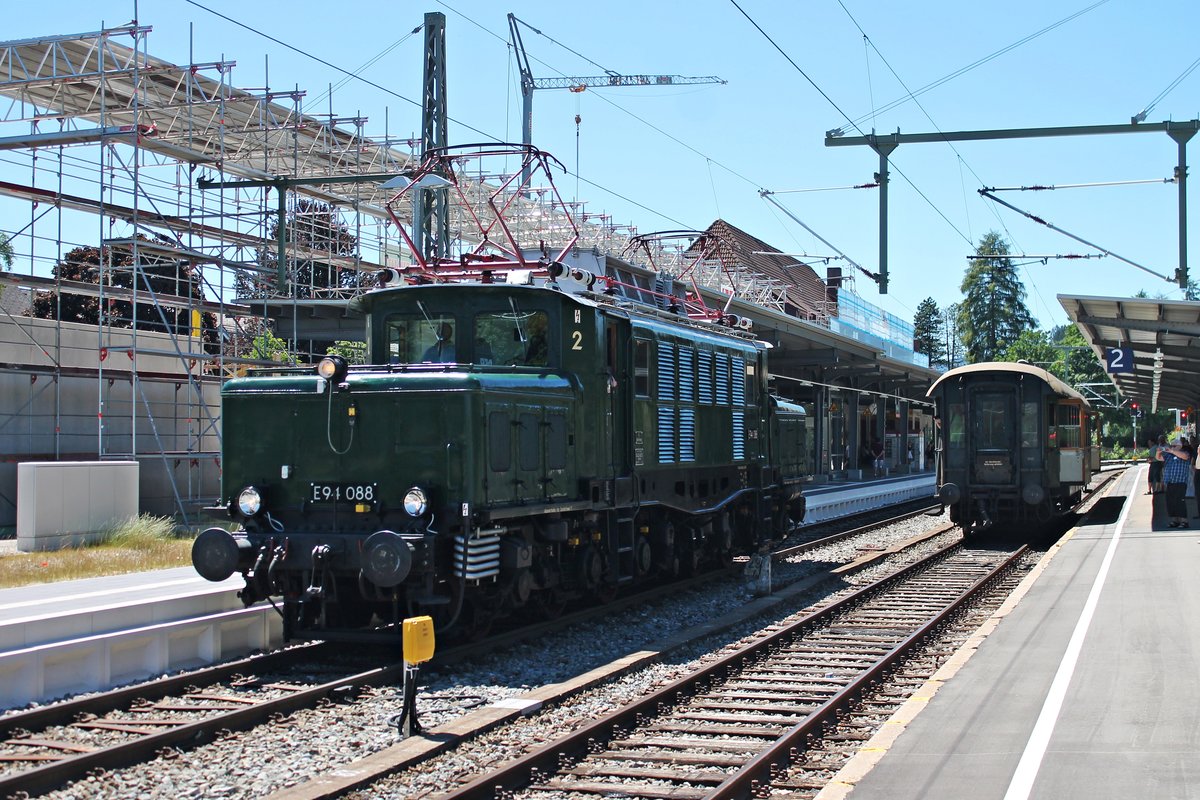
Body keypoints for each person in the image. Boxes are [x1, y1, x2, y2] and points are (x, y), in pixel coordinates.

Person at [1160, 436, 1192, 528]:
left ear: (1179, 446)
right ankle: (1175, 520)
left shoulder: (1185, 452)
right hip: (1170, 482)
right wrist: (1158, 452)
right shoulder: (1169, 456)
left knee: (1179, 501)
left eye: (1174, 446)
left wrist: (1172, 451)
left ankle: (1184, 521)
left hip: (1180, 481)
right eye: (1171, 446)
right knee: (1171, 502)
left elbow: (1185, 457)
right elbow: (1159, 458)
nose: (1172, 447)